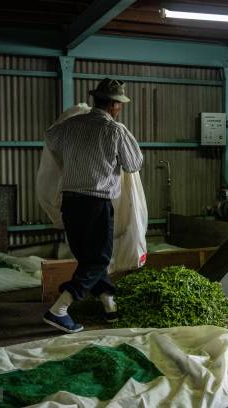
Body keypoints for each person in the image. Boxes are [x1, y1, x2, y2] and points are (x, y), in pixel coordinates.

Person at [42, 78, 143, 333]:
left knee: (87, 257)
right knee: (98, 260)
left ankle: (108, 303)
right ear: (113, 104)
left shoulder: (69, 126)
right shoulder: (115, 130)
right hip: (95, 203)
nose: (120, 108)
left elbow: (50, 138)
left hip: (70, 201)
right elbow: (133, 164)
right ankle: (60, 309)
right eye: (119, 104)